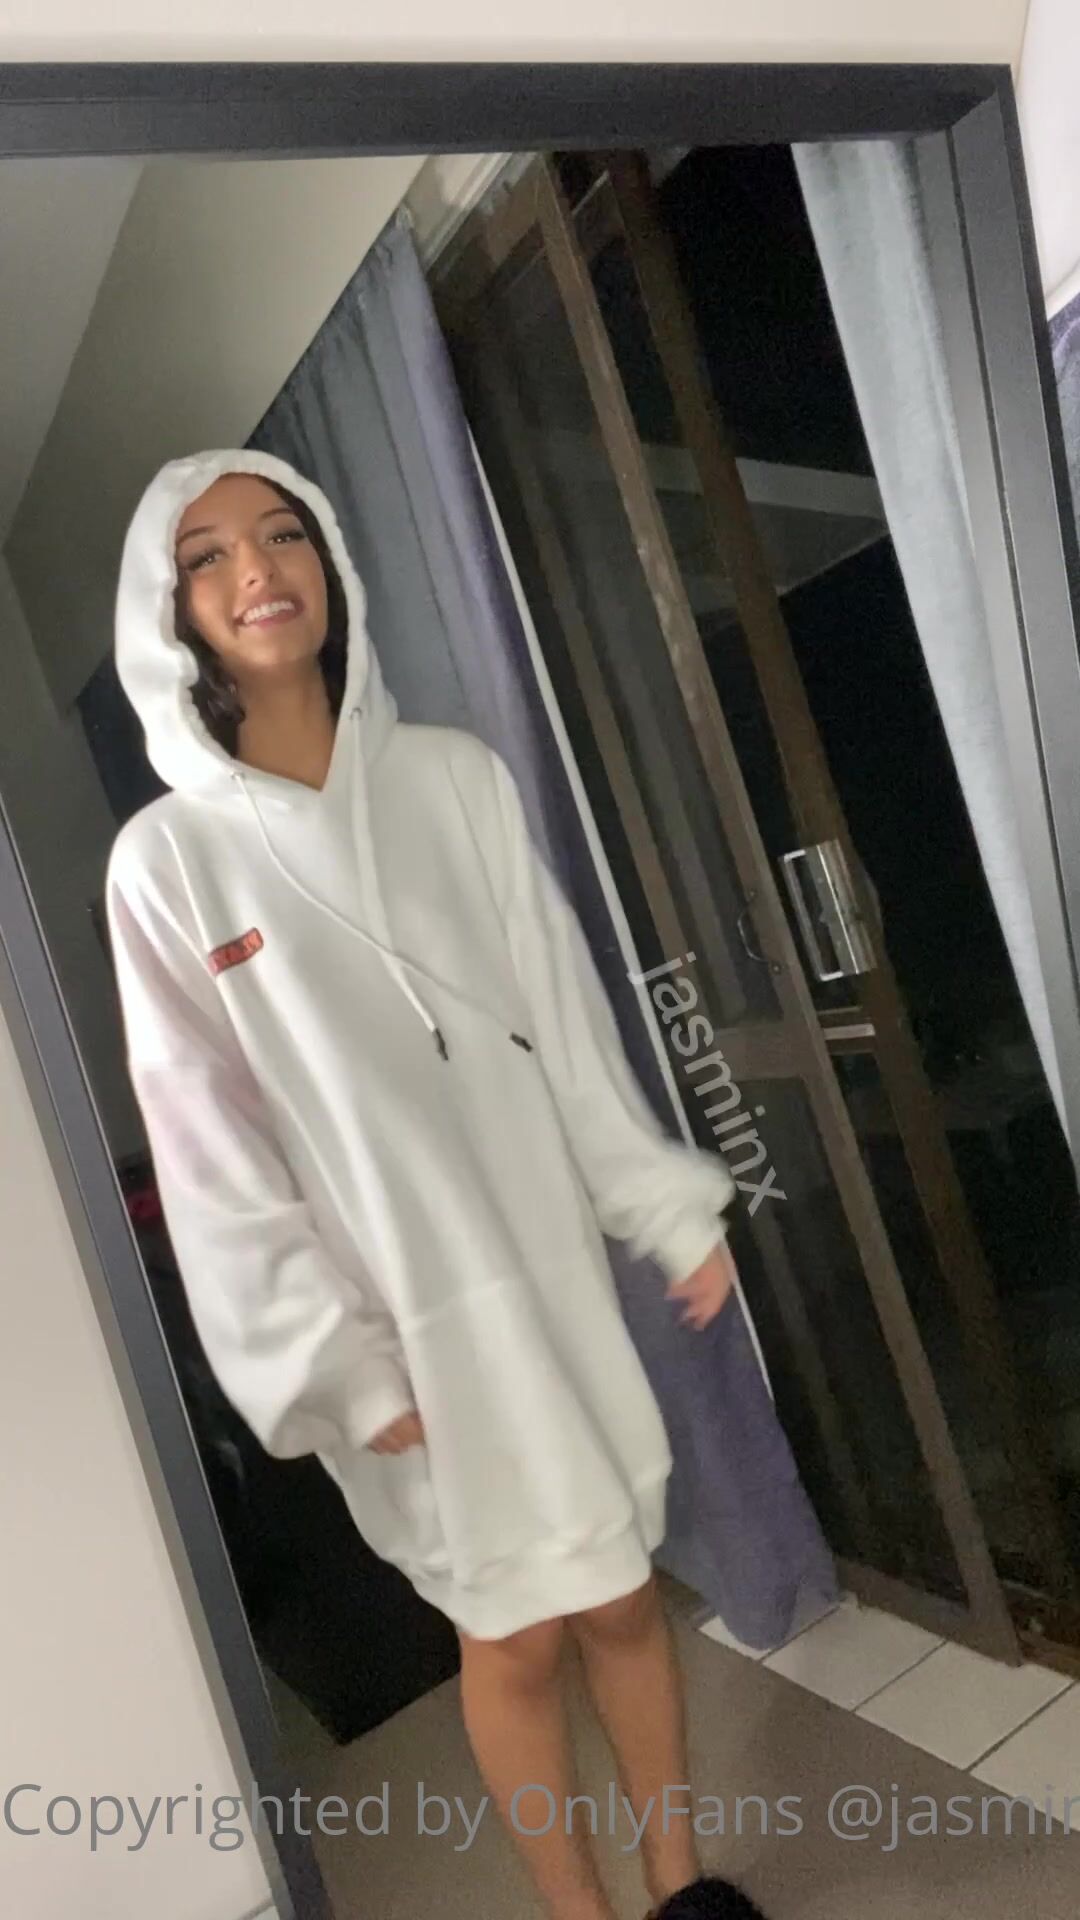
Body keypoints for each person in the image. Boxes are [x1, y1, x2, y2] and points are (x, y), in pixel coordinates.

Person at [106, 448, 739, 1920]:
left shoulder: (456, 780)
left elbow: (567, 1025)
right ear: (172, 612)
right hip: (404, 1340)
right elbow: (209, 1153)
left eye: (283, 534)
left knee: (622, 1593)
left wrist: (659, 1207)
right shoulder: (169, 866)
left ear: (329, 563)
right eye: (209, 557)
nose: (257, 571)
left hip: (547, 1281)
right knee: (511, 1637)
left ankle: (678, 1882)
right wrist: (325, 1360)